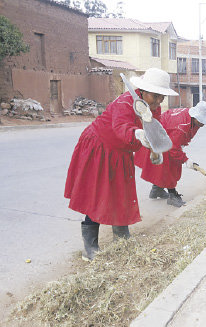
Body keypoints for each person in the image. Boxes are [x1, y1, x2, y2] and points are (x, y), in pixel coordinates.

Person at [64, 68, 178, 261]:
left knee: (121, 192)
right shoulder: (125, 102)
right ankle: (90, 247)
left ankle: (121, 238)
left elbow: (154, 128)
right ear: (143, 90)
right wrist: (137, 133)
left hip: (121, 152)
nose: (159, 102)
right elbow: (121, 128)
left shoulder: (153, 107)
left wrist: (154, 150)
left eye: (162, 97)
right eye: (156, 96)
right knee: (97, 194)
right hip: (100, 147)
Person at [135, 101, 206, 207]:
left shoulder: (192, 118)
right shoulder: (182, 126)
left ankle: (156, 190)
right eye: (202, 121)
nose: (203, 124)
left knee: (165, 166)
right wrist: (186, 160)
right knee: (171, 167)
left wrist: (181, 146)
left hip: (163, 135)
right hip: (157, 138)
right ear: (196, 116)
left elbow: (183, 138)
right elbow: (173, 149)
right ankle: (172, 195)